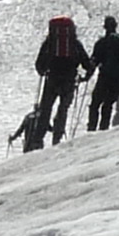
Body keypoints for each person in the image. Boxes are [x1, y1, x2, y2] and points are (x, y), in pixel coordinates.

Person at [25, 16, 85, 147]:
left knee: (46, 109)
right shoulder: (75, 43)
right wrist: (84, 77)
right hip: (69, 81)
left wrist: (43, 71)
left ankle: (38, 139)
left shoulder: (49, 44)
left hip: (52, 80)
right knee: (63, 109)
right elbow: (86, 64)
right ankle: (57, 137)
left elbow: (39, 64)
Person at [85, 15, 119, 132]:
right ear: (116, 26)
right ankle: (103, 129)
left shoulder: (102, 42)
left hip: (104, 77)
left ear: (105, 27)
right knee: (108, 104)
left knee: (95, 104)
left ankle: (91, 129)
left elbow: (94, 61)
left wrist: (86, 76)